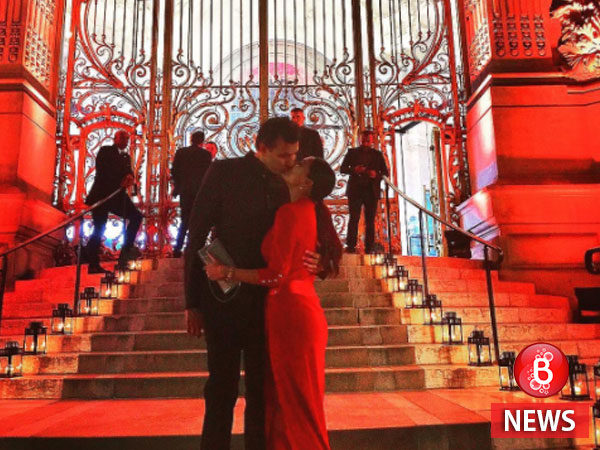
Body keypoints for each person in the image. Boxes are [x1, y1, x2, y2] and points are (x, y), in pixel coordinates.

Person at [184, 117, 321, 450]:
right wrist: (192, 302)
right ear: (261, 147)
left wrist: (318, 260)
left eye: (294, 155)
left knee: (261, 393)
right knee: (221, 388)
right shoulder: (224, 172)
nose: (290, 162)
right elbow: (196, 234)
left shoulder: (290, 183)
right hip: (222, 301)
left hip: (268, 303)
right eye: (284, 155)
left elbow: (312, 232)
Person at [205, 157, 341, 450]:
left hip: (291, 313)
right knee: (292, 400)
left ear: (307, 183)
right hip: (295, 309)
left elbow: (276, 275)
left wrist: (226, 272)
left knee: (294, 401)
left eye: (299, 164)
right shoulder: (307, 210)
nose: (292, 164)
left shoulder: (292, 212)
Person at [84, 130, 143, 273]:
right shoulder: (105, 151)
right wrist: (120, 180)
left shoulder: (126, 157)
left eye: (127, 139)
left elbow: (129, 171)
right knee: (99, 227)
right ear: (115, 139)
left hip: (117, 195)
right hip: (102, 195)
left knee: (136, 216)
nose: (125, 141)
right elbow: (103, 170)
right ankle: (92, 262)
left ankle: (125, 253)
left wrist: (129, 177)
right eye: (122, 138)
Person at [340, 130, 389, 254]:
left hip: (371, 191)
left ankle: (370, 247)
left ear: (372, 140)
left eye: (368, 140)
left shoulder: (377, 155)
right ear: (360, 139)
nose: (366, 142)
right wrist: (355, 169)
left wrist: (375, 175)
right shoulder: (352, 152)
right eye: (364, 139)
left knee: (370, 221)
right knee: (354, 219)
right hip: (355, 190)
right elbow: (343, 168)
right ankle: (351, 246)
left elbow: (385, 173)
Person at [171, 131, 213, 258]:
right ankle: (194, 249)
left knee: (184, 220)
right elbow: (208, 175)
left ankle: (177, 249)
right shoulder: (206, 155)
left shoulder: (181, 152)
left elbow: (174, 171)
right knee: (197, 221)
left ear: (191, 139)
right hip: (199, 193)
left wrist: (177, 187)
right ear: (202, 141)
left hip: (185, 192)